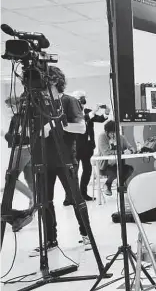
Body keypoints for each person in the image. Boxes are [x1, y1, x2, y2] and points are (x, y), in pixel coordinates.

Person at [29, 66, 93, 256]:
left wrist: (55, 125)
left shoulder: (69, 101)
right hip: (42, 159)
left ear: (55, 81)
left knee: (76, 200)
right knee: (45, 202)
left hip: (65, 159)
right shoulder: (39, 104)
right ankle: (50, 240)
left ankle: (87, 235)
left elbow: (80, 128)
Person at [2, 96, 36, 232]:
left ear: (16, 105)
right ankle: (31, 211)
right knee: (30, 180)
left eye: (9, 107)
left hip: (22, 150)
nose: (8, 110)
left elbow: (17, 138)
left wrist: (3, 133)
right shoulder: (25, 117)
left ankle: (33, 199)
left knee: (10, 178)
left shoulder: (20, 118)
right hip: (29, 150)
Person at [72, 91, 110, 202]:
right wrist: (93, 111)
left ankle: (83, 194)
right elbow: (82, 119)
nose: (83, 101)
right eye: (81, 99)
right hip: (75, 147)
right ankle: (71, 197)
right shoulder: (73, 112)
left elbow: (101, 119)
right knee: (73, 172)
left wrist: (107, 112)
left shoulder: (88, 111)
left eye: (83, 98)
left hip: (87, 147)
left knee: (87, 170)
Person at [98, 120, 135, 196]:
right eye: (111, 133)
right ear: (106, 132)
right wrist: (122, 152)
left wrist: (130, 151)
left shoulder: (121, 137)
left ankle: (120, 184)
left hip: (118, 165)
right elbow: (106, 153)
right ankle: (108, 184)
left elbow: (131, 147)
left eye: (115, 132)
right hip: (105, 166)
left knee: (129, 169)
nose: (114, 135)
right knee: (116, 172)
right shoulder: (102, 137)